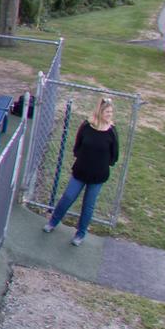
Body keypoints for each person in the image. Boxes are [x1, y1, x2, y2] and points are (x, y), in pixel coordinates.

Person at [44, 96, 119, 245]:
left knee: (88, 205)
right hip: (80, 172)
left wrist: (101, 164)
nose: (109, 115)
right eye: (107, 112)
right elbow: (77, 147)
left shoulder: (112, 132)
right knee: (68, 197)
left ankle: (80, 234)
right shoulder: (86, 126)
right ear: (99, 112)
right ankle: (53, 222)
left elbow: (114, 156)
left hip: (98, 177)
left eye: (111, 112)